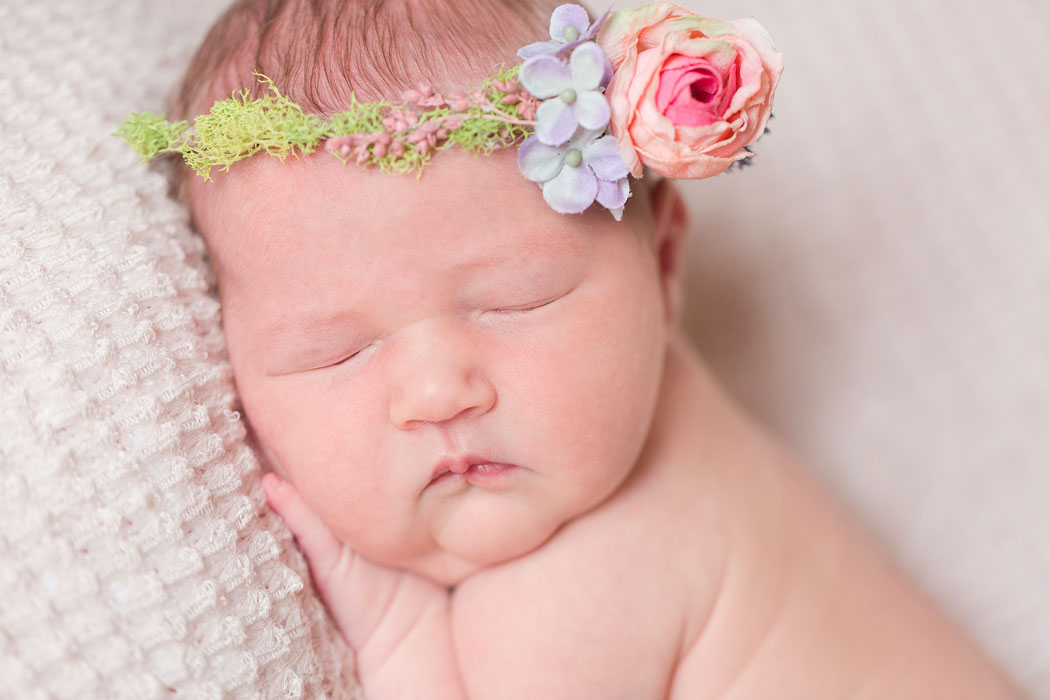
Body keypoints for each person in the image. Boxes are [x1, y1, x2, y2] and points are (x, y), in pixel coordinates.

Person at [121, 0, 1021, 697]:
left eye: (519, 302)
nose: (439, 390)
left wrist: (396, 632)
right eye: (336, 353)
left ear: (664, 263)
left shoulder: (579, 592)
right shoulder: (666, 415)